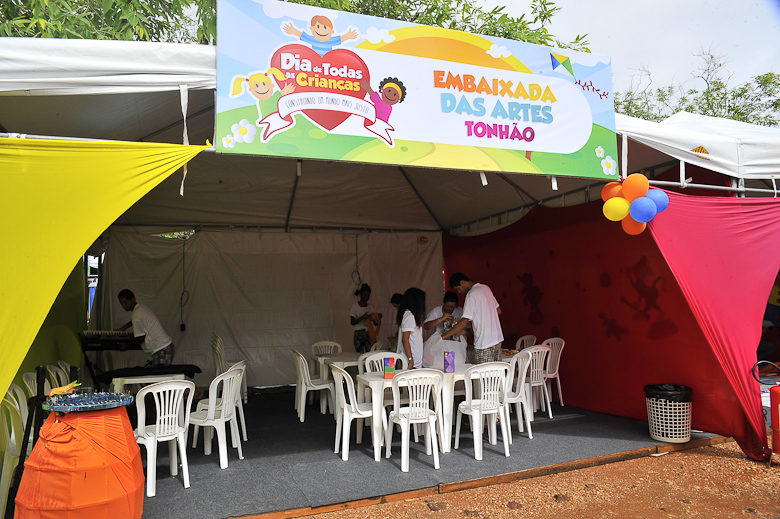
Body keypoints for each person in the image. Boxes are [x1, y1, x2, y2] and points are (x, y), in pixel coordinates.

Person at [441, 273, 503, 363]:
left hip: (484, 343)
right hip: (497, 339)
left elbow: (464, 322)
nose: (459, 292)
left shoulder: (471, 295)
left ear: (462, 282)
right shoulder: (486, 288)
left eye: (458, 288)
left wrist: (445, 335)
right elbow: (498, 311)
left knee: (483, 371)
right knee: (496, 370)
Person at [116, 289, 175, 366]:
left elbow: (141, 338)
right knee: (158, 372)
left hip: (161, 348)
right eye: (121, 304)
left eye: (125, 303)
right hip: (164, 347)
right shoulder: (141, 308)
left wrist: (127, 346)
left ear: (133, 299)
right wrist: (124, 328)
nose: (124, 306)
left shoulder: (136, 315)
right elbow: (134, 321)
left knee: (159, 373)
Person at [283, 16, 358, 56]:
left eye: (325, 27)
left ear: (332, 31)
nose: (321, 30)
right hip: (314, 60)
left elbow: (341, 38)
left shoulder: (331, 41)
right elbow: (302, 35)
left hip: (328, 61)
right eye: (318, 27)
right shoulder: (312, 39)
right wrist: (293, 31)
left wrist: (349, 35)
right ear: (311, 28)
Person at [396, 288, 426, 369]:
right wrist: (410, 360)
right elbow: (405, 339)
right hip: (410, 361)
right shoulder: (410, 316)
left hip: (414, 360)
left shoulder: (411, 315)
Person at [350, 284, 378, 353]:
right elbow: (352, 322)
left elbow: (375, 323)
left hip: (369, 332)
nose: (367, 297)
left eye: (368, 295)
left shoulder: (370, 307)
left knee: (370, 353)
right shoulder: (355, 307)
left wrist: (377, 317)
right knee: (359, 354)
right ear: (361, 295)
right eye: (365, 295)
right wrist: (363, 317)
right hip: (359, 332)